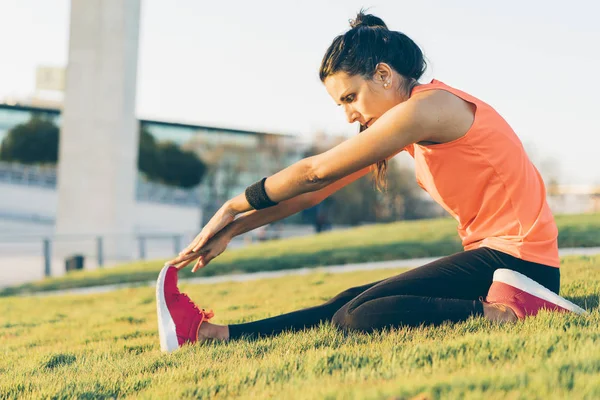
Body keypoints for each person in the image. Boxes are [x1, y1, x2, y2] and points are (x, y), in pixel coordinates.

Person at [156, 11, 587, 353]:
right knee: (350, 300)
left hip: (520, 262)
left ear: (383, 75)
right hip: (497, 258)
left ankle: (514, 313)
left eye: (350, 98)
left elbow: (314, 171)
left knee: (358, 316)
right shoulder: (406, 123)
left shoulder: (430, 107)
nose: (348, 115)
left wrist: (234, 204)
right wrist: (233, 230)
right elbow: (315, 190)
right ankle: (211, 335)